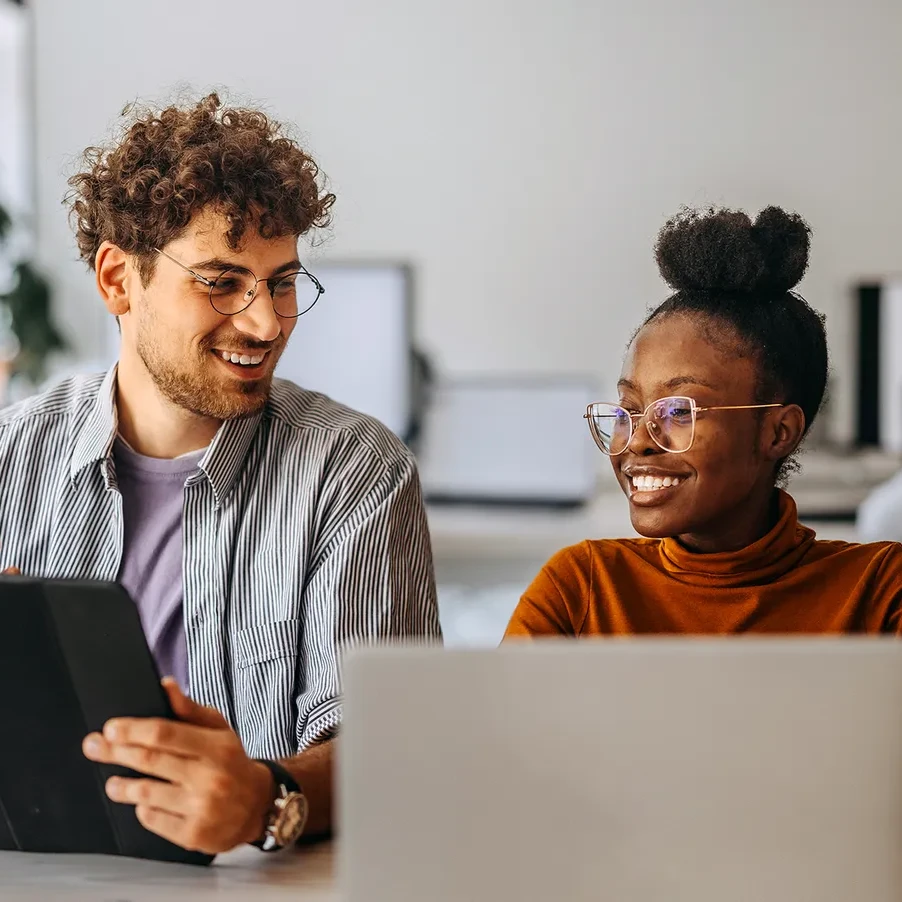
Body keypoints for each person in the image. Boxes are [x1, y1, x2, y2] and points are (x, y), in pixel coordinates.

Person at [0, 93, 441, 854]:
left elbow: (392, 745)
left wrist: (268, 797)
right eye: (221, 281)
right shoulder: (11, 459)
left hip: (257, 886)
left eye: (281, 282)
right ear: (118, 279)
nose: (265, 322)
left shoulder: (354, 471)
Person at [505, 206, 902, 639]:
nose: (637, 441)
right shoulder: (581, 588)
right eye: (629, 409)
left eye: (678, 411)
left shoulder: (880, 592)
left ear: (778, 431)